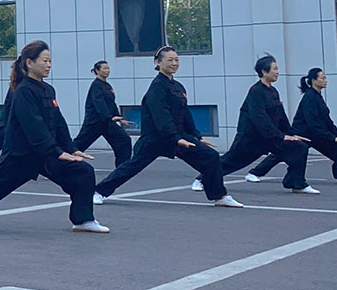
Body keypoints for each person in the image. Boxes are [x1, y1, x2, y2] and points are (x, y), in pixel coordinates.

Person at [0, 41, 108, 233]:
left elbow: (58, 121)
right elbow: (33, 124)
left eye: (50, 61)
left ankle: (83, 220)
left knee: (83, 172)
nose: (49, 65)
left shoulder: (48, 90)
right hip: (21, 155)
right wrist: (56, 151)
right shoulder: (22, 91)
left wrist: (71, 148)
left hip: (45, 154)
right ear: (29, 63)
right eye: (45, 60)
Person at [93, 46, 243, 208]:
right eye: (170, 60)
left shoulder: (178, 86)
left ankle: (219, 196)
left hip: (177, 137)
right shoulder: (157, 87)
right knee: (132, 166)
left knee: (211, 157)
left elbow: (185, 113)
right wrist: (176, 138)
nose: (174, 63)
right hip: (155, 139)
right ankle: (98, 192)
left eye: (176, 60)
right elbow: (161, 117)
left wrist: (196, 136)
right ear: (158, 62)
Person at [192, 55, 317, 195]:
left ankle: (296, 183)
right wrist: (281, 136)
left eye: (277, 69)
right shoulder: (256, 91)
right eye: (274, 69)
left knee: (299, 148)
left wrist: (291, 134)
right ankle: (201, 179)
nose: (277, 72)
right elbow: (260, 118)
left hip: (272, 137)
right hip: (252, 138)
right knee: (230, 161)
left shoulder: (273, 91)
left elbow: (280, 116)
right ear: (264, 71)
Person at [247, 68, 337, 186]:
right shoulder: (309, 97)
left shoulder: (317, 96)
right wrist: (332, 138)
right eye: (322, 78)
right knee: (280, 154)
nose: (325, 80)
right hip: (303, 133)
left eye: (325, 78)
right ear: (313, 80)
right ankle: (254, 173)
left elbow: (327, 120)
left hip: (316, 134)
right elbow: (312, 123)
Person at [74, 61, 133, 168]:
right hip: (95, 122)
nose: (107, 71)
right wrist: (109, 117)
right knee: (77, 146)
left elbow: (112, 103)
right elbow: (99, 104)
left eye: (108, 68)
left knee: (124, 140)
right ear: (97, 71)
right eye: (104, 69)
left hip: (107, 123)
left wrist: (119, 118)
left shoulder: (107, 86)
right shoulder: (96, 86)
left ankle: (123, 168)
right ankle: (58, 165)